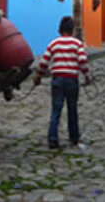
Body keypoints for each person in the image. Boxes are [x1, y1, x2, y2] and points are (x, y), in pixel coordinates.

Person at [33, 16, 91, 149]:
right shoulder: (77, 44)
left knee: (56, 110)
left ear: (59, 30)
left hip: (57, 80)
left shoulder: (53, 44)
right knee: (72, 109)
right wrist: (87, 76)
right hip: (72, 80)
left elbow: (43, 63)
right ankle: (74, 137)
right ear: (73, 30)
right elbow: (82, 61)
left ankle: (53, 138)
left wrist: (38, 77)